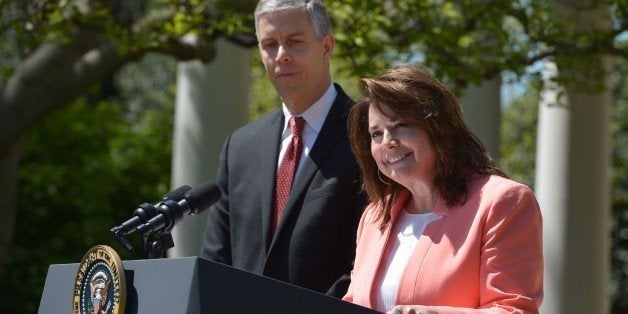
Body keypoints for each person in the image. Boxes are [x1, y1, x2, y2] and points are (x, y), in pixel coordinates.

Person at [342, 63, 543, 313]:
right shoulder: (373, 217)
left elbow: (514, 309)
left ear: (438, 128)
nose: (388, 142)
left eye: (400, 125)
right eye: (376, 134)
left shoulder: (503, 202)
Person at [199, 0, 366, 298]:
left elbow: (368, 259)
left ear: (326, 46)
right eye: (269, 44)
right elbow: (216, 259)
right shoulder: (239, 146)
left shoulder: (369, 136)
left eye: (295, 42)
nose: (281, 56)